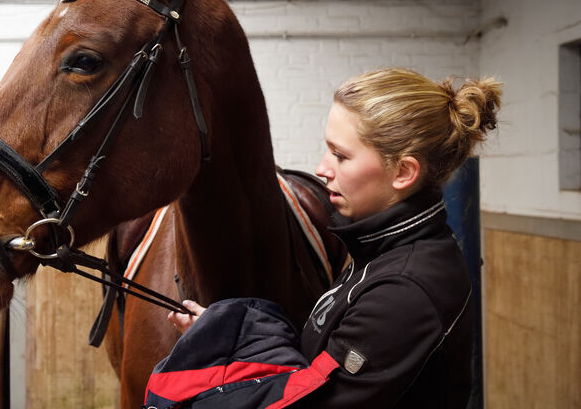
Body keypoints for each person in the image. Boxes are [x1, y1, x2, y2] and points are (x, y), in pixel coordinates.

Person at [156, 68, 502, 408]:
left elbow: (308, 401)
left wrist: (222, 357)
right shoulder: (380, 250)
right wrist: (227, 334)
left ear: (403, 172)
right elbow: (313, 367)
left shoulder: (403, 290)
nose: (322, 168)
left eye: (340, 155)